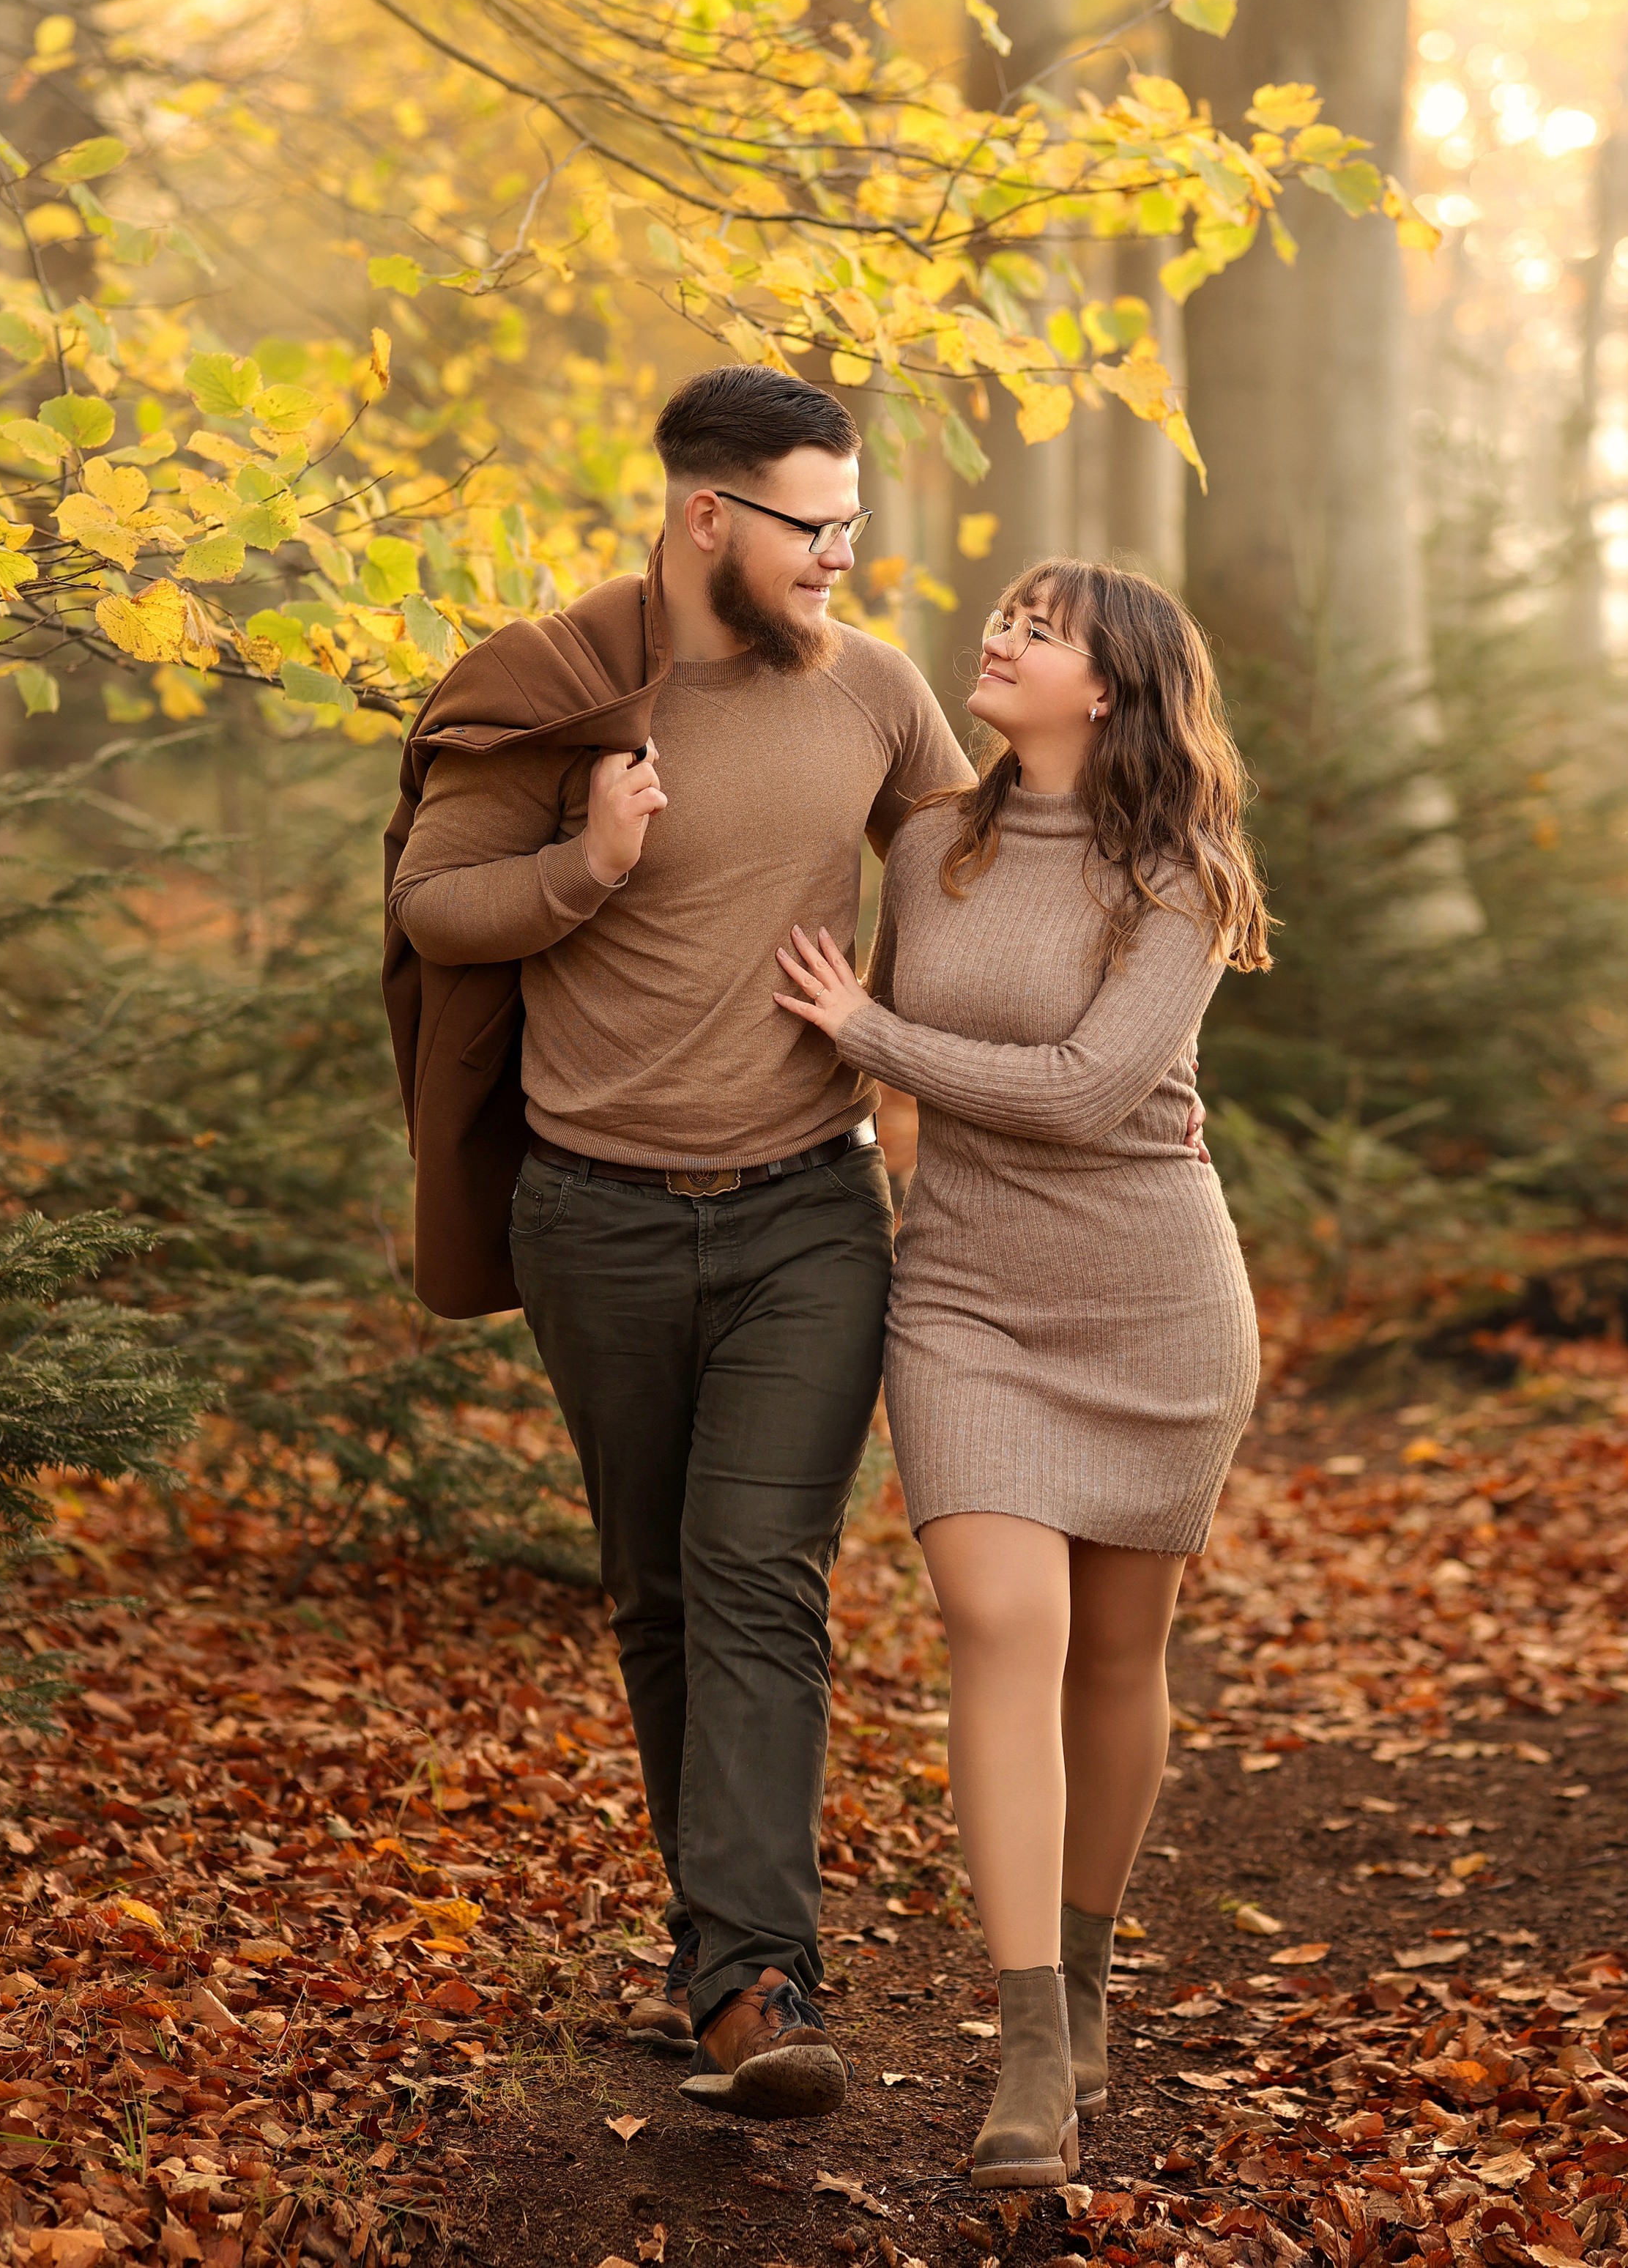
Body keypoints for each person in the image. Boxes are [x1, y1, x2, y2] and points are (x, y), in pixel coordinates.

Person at [386, 366, 970, 2119]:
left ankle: (753, 1979)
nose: (842, 561)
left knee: (756, 1574)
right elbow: (433, 903)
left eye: (854, 527)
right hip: (595, 1219)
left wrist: (923, 1027)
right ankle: (718, 1954)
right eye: (814, 527)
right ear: (708, 513)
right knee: (655, 1594)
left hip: (809, 1207)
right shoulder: (560, 693)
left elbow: (968, 868)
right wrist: (586, 861)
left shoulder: (874, 689)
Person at [773, 557, 1269, 2184]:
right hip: (967, 1295)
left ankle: (1090, 1950)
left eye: (1034, 629)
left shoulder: (1178, 873)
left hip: (1155, 1303)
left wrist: (870, 1034)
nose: (994, 636)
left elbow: (1078, 1088)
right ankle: (1033, 2038)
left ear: (1109, 687)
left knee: (1116, 1660)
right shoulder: (927, 839)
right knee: (1001, 1620)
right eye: (998, 614)